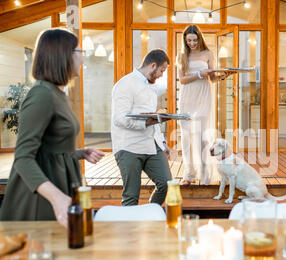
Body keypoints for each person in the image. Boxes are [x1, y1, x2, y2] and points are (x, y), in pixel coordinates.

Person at [0, 28, 104, 227]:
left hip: (61, 184)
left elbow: (48, 149)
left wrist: (80, 153)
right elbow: (23, 157)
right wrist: (56, 198)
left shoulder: (57, 94)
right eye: (79, 52)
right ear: (62, 55)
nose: (82, 58)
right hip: (42, 199)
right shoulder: (41, 95)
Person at [111, 49, 172, 206]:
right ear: (152, 65)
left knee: (167, 184)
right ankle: (131, 229)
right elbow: (119, 118)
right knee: (131, 196)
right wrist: (147, 122)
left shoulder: (151, 87)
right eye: (162, 70)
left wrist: (162, 142)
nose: (161, 75)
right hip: (128, 146)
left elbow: (153, 118)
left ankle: (151, 213)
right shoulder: (124, 84)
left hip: (152, 145)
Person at [177, 25, 234, 186]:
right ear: (185, 40)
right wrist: (198, 74)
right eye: (189, 40)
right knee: (187, 136)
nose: (192, 43)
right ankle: (189, 174)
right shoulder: (181, 56)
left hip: (203, 96)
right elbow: (182, 79)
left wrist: (223, 76)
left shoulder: (208, 53)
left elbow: (212, 78)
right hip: (187, 97)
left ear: (199, 38)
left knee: (202, 136)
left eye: (195, 40)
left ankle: (204, 175)